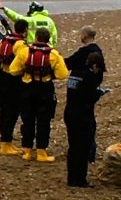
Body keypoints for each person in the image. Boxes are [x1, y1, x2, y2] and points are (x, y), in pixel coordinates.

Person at [17, 23, 67, 163]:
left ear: (36, 37)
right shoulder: (53, 54)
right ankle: (41, 152)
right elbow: (62, 74)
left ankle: (26, 151)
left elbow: (14, 69)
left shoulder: (25, 52)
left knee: (27, 120)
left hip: (27, 88)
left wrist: (26, 72)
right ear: (48, 39)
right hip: (45, 88)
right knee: (43, 121)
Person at [62, 28, 105, 186]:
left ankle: (72, 177)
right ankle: (79, 179)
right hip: (82, 113)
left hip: (70, 110)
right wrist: (98, 93)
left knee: (73, 147)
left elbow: (67, 64)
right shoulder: (88, 75)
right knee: (82, 146)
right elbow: (89, 96)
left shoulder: (75, 74)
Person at [0, 19, 27, 156]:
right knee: (12, 112)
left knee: (4, 111)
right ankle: (6, 143)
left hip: (2, 78)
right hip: (14, 80)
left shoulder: (2, 41)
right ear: (25, 30)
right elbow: (23, 62)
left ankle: (5, 142)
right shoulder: (20, 45)